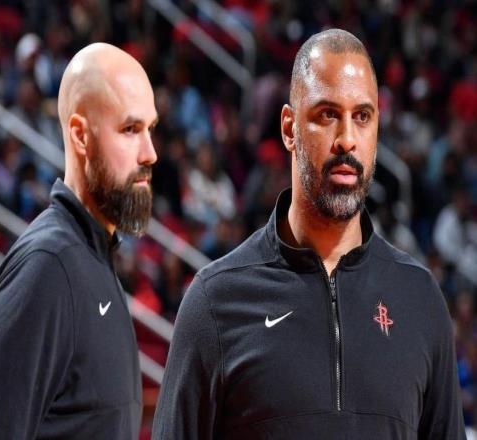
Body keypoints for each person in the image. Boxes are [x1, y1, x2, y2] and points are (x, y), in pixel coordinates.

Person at [152, 29, 465, 439]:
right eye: (327, 115)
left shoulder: (420, 299)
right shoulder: (216, 301)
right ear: (289, 128)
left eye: (362, 116)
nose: (347, 139)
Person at [0, 43, 158, 439]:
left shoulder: (93, 256)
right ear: (80, 135)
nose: (150, 153)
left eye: (151, 129)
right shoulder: (47, 267)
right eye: (130, 129)